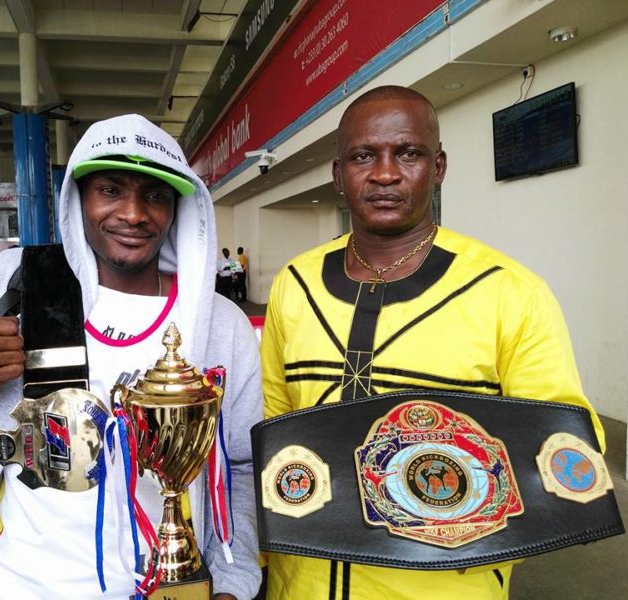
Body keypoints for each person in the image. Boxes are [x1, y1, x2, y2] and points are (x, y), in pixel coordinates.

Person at [259, 85, 604, 600]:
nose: (385, 173)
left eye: (409, 153)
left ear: (438, 167)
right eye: (362, 156)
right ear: (338, 174)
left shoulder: (508, 290)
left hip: (444, 584)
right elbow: (273, 425)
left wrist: (480, 525)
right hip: (301, 580)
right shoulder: (295, 284)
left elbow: (565, 446)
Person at [0, 114, 262, 599]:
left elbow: (241, 465)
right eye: (111, 189)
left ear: (180, 206)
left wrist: (233, 578)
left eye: (155, 195)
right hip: (21, 584)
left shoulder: (219, 323)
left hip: (168, 587)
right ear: (78, 197)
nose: (134, 213)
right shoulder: (19, 282)